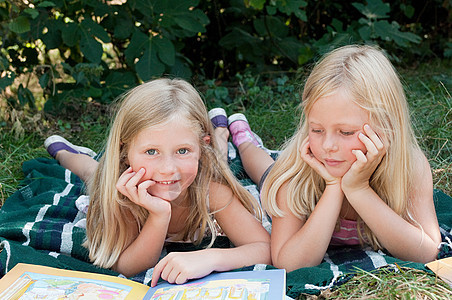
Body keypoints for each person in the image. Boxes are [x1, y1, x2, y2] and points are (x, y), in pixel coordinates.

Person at [217, 45, 441, 272]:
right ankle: (243, 138)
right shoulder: (294, 173)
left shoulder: (409, 166)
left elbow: (427, 252)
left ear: (387, 126)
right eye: (316, 130)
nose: (327, 146)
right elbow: (288, 263)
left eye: (345, 132)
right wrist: (334, 187)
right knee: (264, 168)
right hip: (297, 172)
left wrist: (358, 189)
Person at [44, 78, 271, 286]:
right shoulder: (123, 192)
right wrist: (159, 216)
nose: (167, 169)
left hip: (205, 157)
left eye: (183, 150)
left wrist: (213, 257)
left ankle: (220, 133)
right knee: (93, 171)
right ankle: (65, 153)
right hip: (105, 174)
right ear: (124, 151)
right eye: (151, 151)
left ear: (200, 147)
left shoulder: (209, 188)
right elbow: (125, 266)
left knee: (218, 156)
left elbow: (264, 248)